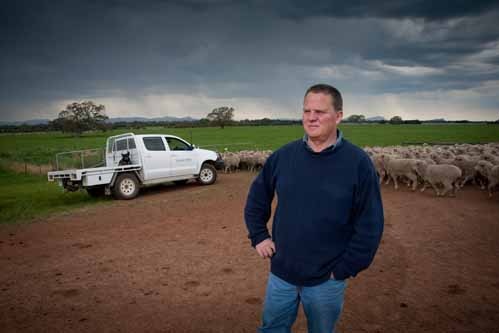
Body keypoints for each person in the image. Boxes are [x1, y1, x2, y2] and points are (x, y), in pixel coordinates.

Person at [244, 83, 384, 333]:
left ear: (338, 116)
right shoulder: (283, 157)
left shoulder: (358, 163)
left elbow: (370, 224)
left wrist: (344, 269)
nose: (311, 117)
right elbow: (256, 199)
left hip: (326, 280)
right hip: (282, 273)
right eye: (306, 111)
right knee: (271, 329)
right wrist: (259, 236)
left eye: (319, 112)